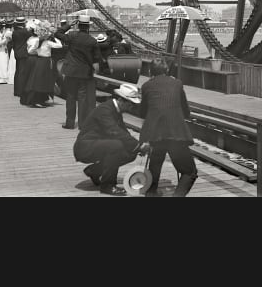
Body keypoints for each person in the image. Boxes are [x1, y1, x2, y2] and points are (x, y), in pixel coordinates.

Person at [73, 83, 150, 196]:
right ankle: (107, 186)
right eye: (131, 104)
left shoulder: (115, 109)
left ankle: (94, 171)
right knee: (116, 146)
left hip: (97, 144)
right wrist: (138, 146)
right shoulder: (105, 110)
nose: (132, 108)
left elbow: (124, 132)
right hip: (84, 148)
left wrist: (138, 147)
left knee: (130, 152)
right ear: (121, 100)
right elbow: (115, 131)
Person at [140, 57, 198, 197]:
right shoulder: (177, 84)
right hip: (175, 133)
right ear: (166, 70)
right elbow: (185, 110)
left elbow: (142, 112)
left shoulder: (146, 86)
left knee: (155, 165)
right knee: (189, 172)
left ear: (150, 71)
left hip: (155, 134)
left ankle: (151, 193)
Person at [60, 15, 102, 128]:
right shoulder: (93, 41)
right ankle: (82, 124)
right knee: (82, 99)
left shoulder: (72, 36)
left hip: (71, 71)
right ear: (88, 27)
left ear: (78, 25)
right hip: (84, 73)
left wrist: (69, 25)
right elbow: (96, 59)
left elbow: (57, 34)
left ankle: (69, 123)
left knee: (71, 97)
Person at [25, 21, 62, 107]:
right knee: (43, 81)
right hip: (46, 62)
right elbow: (60, 45)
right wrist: (54, 37)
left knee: (38, 81)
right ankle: (39, 100)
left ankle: (38, 100)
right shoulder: (47, 43)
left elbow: (30, 51)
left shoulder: (38, 42)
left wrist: (36, 50)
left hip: (39, 61)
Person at [12, 17, 31, 99]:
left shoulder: (15, 32)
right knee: (22, 72)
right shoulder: (25, 31)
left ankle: (16, 90)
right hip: (23, 53)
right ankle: (21, 90)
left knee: (18, 71)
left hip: (17, 52)